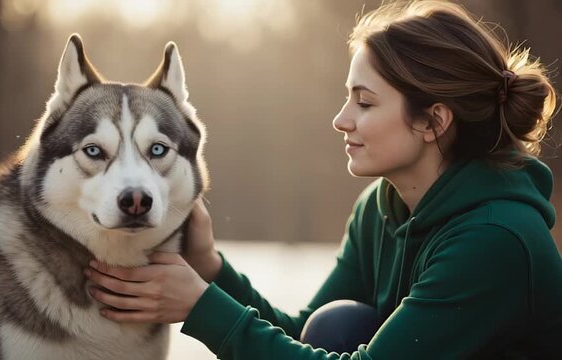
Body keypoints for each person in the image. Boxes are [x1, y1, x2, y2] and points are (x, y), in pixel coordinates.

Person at [83, 1, 561, 358]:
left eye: (365, 102)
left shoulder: (494, 241)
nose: (341, 119)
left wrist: (201, 307)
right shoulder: (382, 207)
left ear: (433, 121)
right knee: (335, 325)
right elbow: (303, 335)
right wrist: (210, 267)